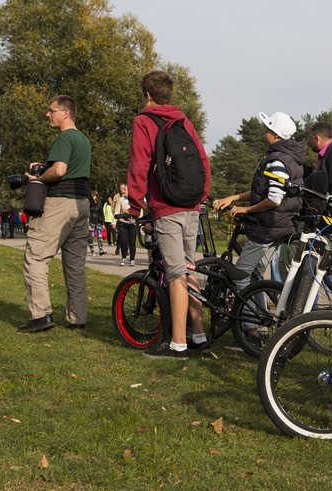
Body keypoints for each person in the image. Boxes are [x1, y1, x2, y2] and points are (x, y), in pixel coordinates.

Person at [126, 70, 211, 359]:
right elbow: (202, 160)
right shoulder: (183, 120)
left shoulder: (144, 121)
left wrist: (135, 205)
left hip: (167, 206)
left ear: (147, 95)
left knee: (175, 273)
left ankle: (177, 343)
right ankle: (198, 334)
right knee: (189, 268)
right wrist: (200, 197)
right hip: (191, 205)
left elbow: (139, 164)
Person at [213, 111, 305, 350]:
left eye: (267, 128)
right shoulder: (289, 158)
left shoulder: (277, 160)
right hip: (280, 226)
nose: (264, 132)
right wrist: (233, 197)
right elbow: (264, 191)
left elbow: (273, 199)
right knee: (255, 275)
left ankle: (252, 328)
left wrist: (245, 210)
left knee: (240, 274)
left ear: (274, 134)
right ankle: (259, 326)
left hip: (268, 227)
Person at [18, 95, 92, 333]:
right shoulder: (83, 139)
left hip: (60, 203)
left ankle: (40, 316)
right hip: (82, 204)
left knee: (36, 257)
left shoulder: (64, 137)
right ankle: (77, 319)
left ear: (66, 113)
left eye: (51, 111)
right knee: (75, 265)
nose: (47, 115)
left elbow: (59, 170)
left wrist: (38, 178)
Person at [112, 183, 138, 266]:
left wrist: (133, 216)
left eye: (125, 190)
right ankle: (123, 257)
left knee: (132, 242)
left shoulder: (135, 200)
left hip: (133, 224)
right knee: (123, 241)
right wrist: (114, 222)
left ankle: (132, 259)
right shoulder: (121, 200)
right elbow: (116, 212)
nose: (123, 191)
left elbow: (140, 213)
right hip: (123, 223)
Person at [88, 191, 106, 256]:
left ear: (97, 196)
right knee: (91, 237)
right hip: (91, 222)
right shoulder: (89, 204)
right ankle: (92, 251)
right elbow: (87, 214)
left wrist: (103, 224)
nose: (93, 197)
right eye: (92, 196)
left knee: (100, 237)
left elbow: (102, 214)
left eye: (95, 196)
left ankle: (101, 250)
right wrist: (88, 224)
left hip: (99, 222)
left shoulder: (99, 203)